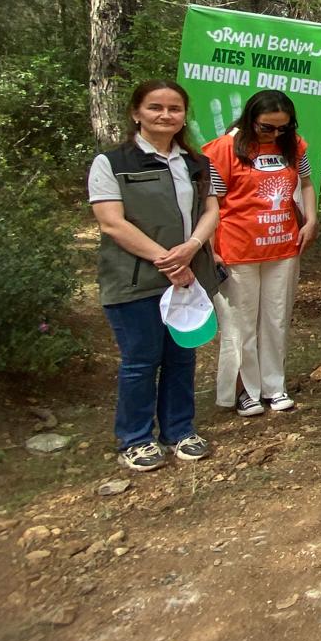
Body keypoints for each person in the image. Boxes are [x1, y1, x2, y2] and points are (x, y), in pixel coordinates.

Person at [90, 80, 222, 471]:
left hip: (189, 275)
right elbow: (112, 223)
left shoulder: (198, 163)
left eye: (174, 108)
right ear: (136, 113)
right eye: (155, 107)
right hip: (135, 279)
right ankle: (136, 438)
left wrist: (193, 248)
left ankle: (180, 430)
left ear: (184, 116)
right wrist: (168, 259)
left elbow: (211, 210)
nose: (165, 115)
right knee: (141, 360)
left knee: (182, 356)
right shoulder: (112, 163)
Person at [204, 89, 317, 417]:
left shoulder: (294, 145)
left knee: (276, 318)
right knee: (241, 323)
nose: (275, 134)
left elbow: (306, 183)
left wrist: (311, 218)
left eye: (283, 127)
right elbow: (212, 201)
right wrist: (211, 248)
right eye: (267, 128)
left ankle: (274, 385)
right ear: (250, 118)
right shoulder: (224, 149)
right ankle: (244, 390)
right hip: (239, 249)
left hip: (283, 246)